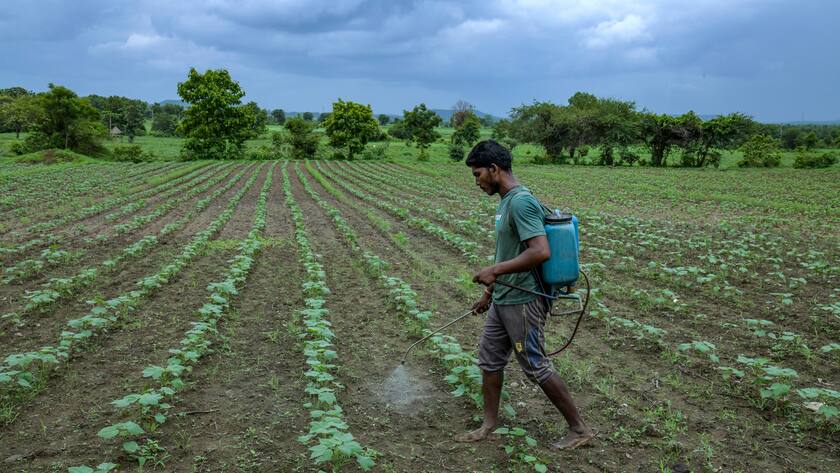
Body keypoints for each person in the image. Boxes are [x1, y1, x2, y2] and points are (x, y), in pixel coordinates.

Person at [456, 140, 594, 450]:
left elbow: (540, 251)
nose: (476, 182)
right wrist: (490, 292)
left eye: (477, 174)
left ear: (494, 169)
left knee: (534, 364)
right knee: (489, 361)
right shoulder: (505, 201)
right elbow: (510, 250)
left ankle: (580, 429)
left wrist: (495, 270)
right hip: (504, 297)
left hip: (524, 300)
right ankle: (489, 424)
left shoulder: (521, 202)